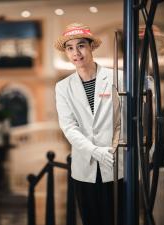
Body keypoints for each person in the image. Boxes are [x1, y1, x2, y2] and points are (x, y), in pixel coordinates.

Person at [54, 23, 124, 225]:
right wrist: (94, 150)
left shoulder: (117, 77)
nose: (76, 52)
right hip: (84, 168)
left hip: (116, 164)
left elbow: (128, 119)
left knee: (119, 218)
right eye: (70, 48)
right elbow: (69, 127)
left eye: (81, 45)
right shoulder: (63, 87)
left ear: (91, 46)